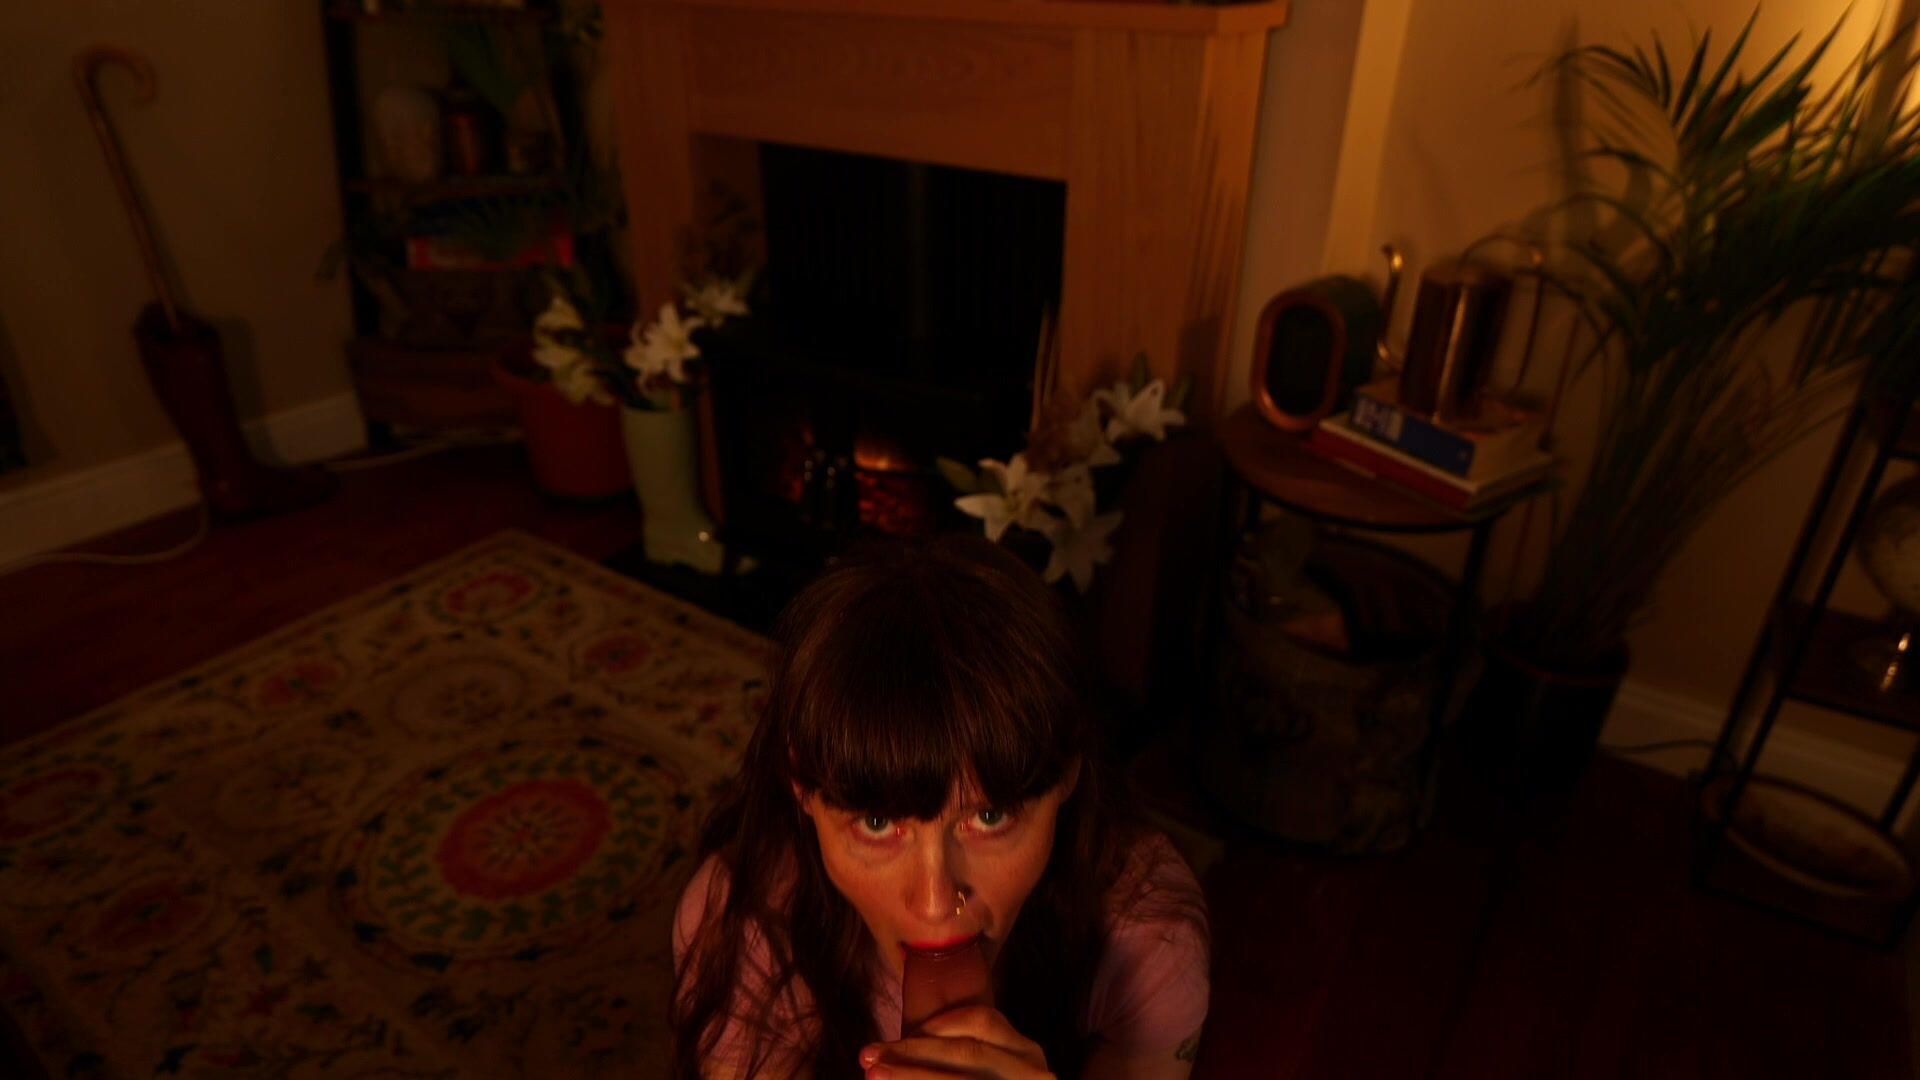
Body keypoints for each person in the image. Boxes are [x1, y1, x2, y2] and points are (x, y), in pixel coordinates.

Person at [670, 536, 1210, 1079]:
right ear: (802, 786)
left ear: (1068, 772)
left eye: (990, 816)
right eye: (877, 823)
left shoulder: (1151, 937)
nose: (935, 904)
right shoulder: (742, 930)